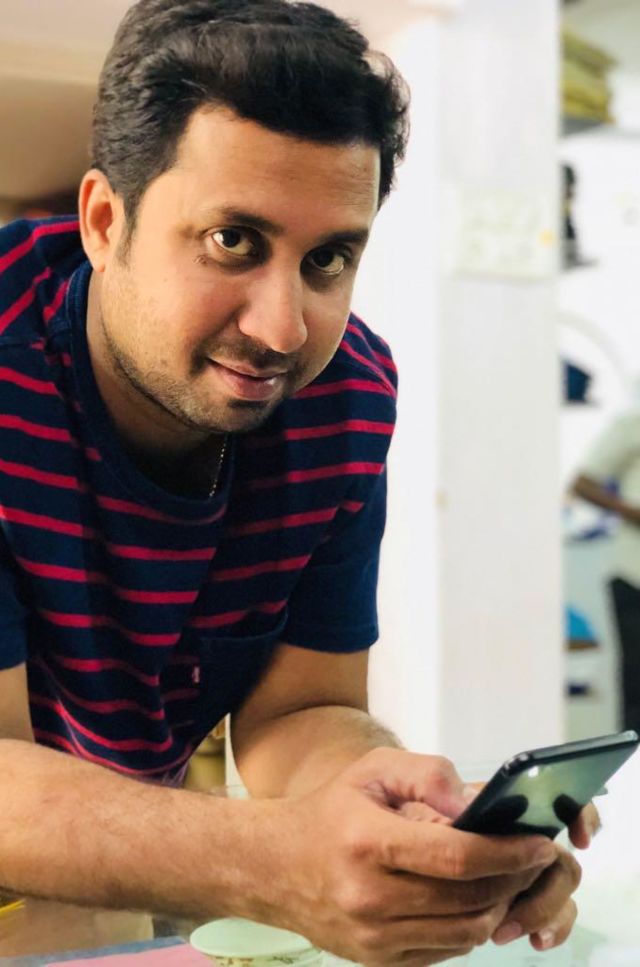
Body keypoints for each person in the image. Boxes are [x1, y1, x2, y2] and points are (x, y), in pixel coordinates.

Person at [0, 1, 592, 963]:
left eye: (328, 259)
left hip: (111, 879)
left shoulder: (343, 397)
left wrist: (406, 815)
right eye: (233, 241)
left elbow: (300, 712)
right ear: (105, 222)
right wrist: (268, 860)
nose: (281, 329)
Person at [573, 407, 640, 734]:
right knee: (637, 685)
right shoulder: (633, 424)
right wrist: (633, 511)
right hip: (634, 576)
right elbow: (583, 484)